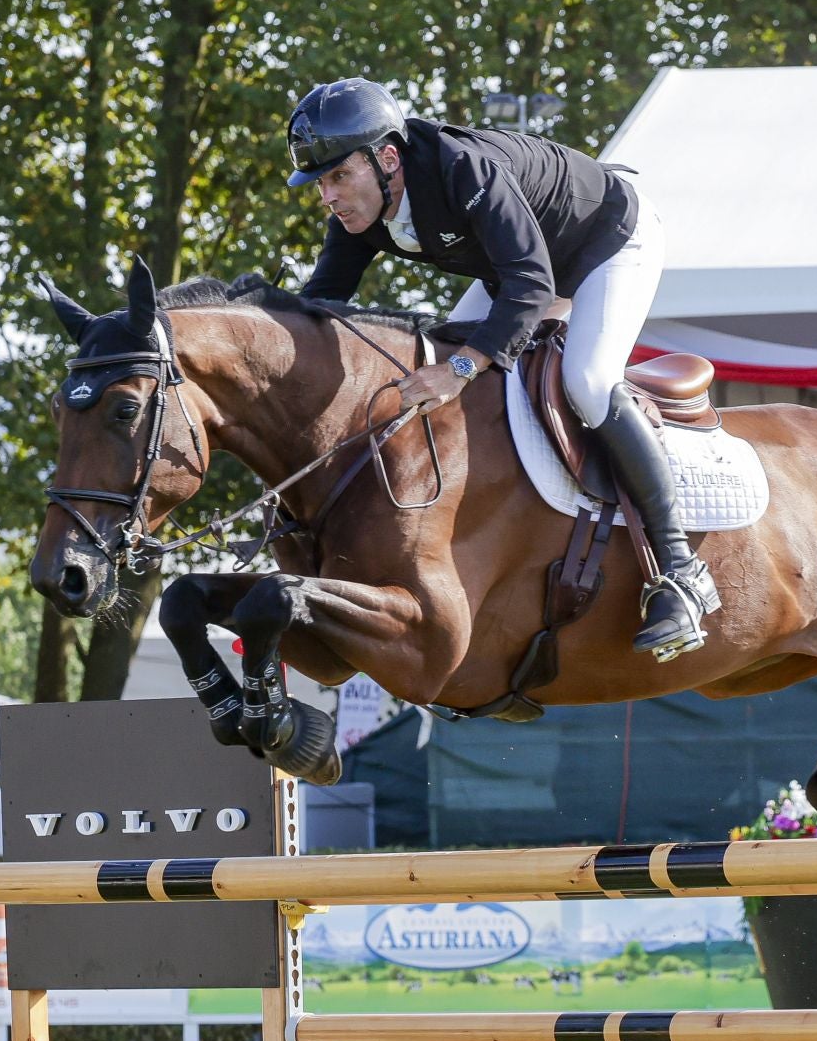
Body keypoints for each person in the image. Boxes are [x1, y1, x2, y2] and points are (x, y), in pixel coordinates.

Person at [285, 76, 718, 661]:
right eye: (320, 184)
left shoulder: (462, 169)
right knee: (446, 360)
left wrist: (461, 366)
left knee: (587, 385)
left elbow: (532, 285)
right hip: (523, 270)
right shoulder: (362, 210)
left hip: (609, 243)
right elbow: (320, 305)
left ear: (387, 158)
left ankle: (680, 571)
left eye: (339, 177)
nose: (329, 197)